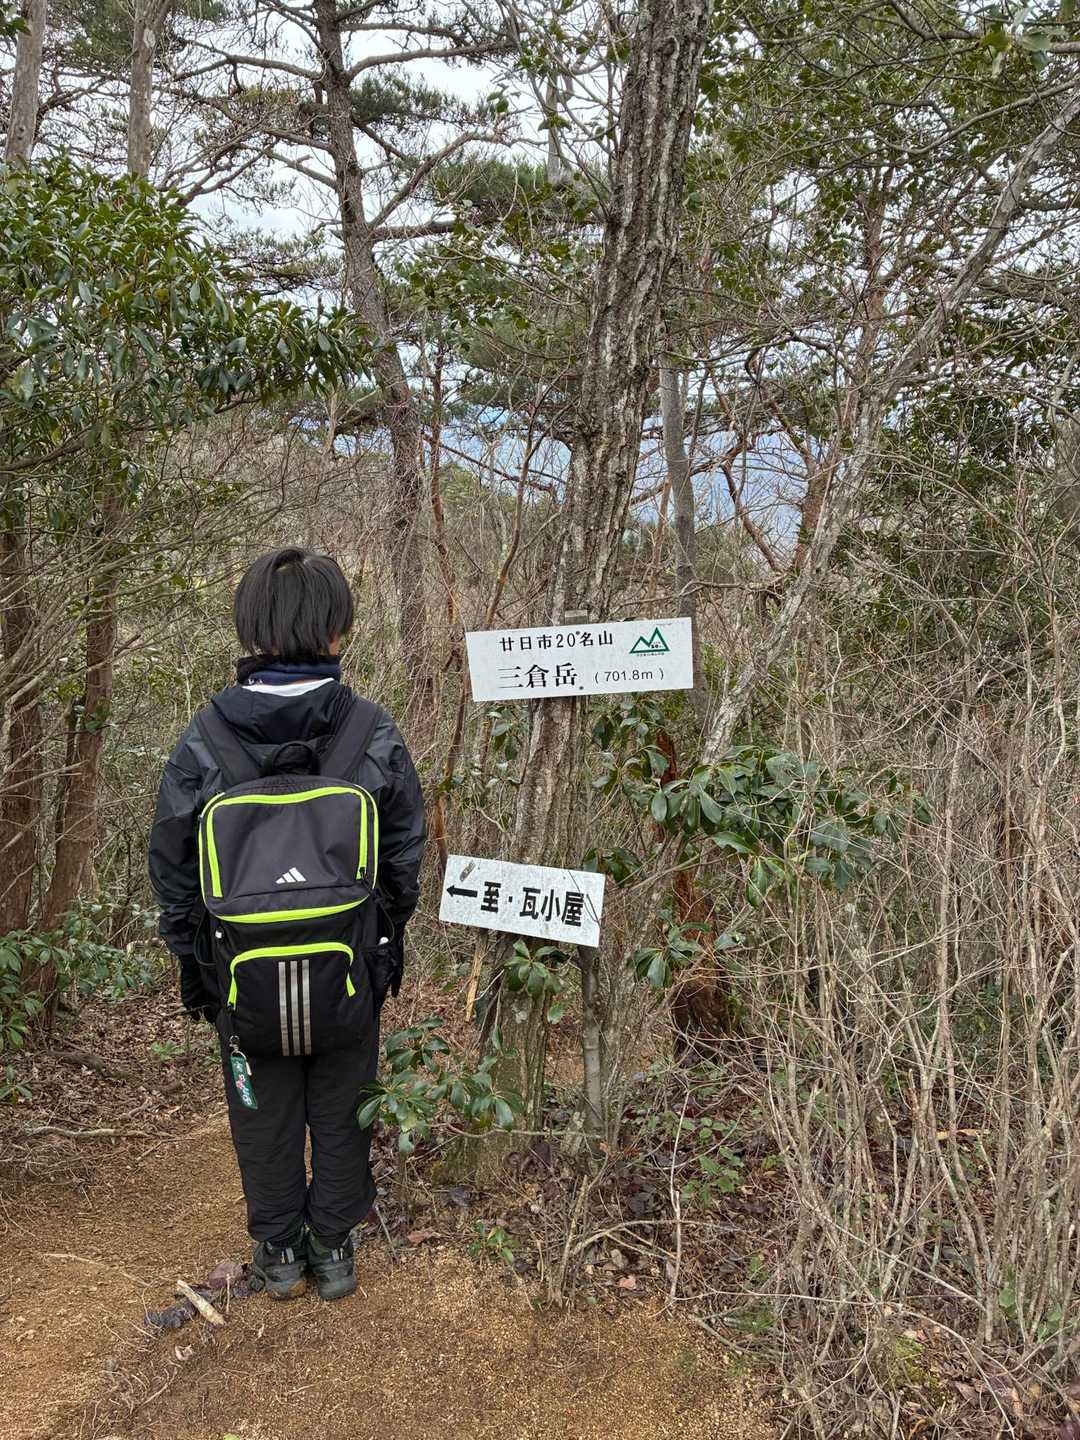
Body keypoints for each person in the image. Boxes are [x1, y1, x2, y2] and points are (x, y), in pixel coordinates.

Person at [148, 548, 425, 1301]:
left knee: (260, 1110)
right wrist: (380, 945)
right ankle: (332, 1249)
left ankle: (278, 1252)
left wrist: (198, 967)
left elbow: (173, 866)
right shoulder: (369, 729)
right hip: (348, 970)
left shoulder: (207, 736)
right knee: (343, 1101)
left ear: (251, 629)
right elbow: (403, 857)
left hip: (241, 975)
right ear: (337, 630)